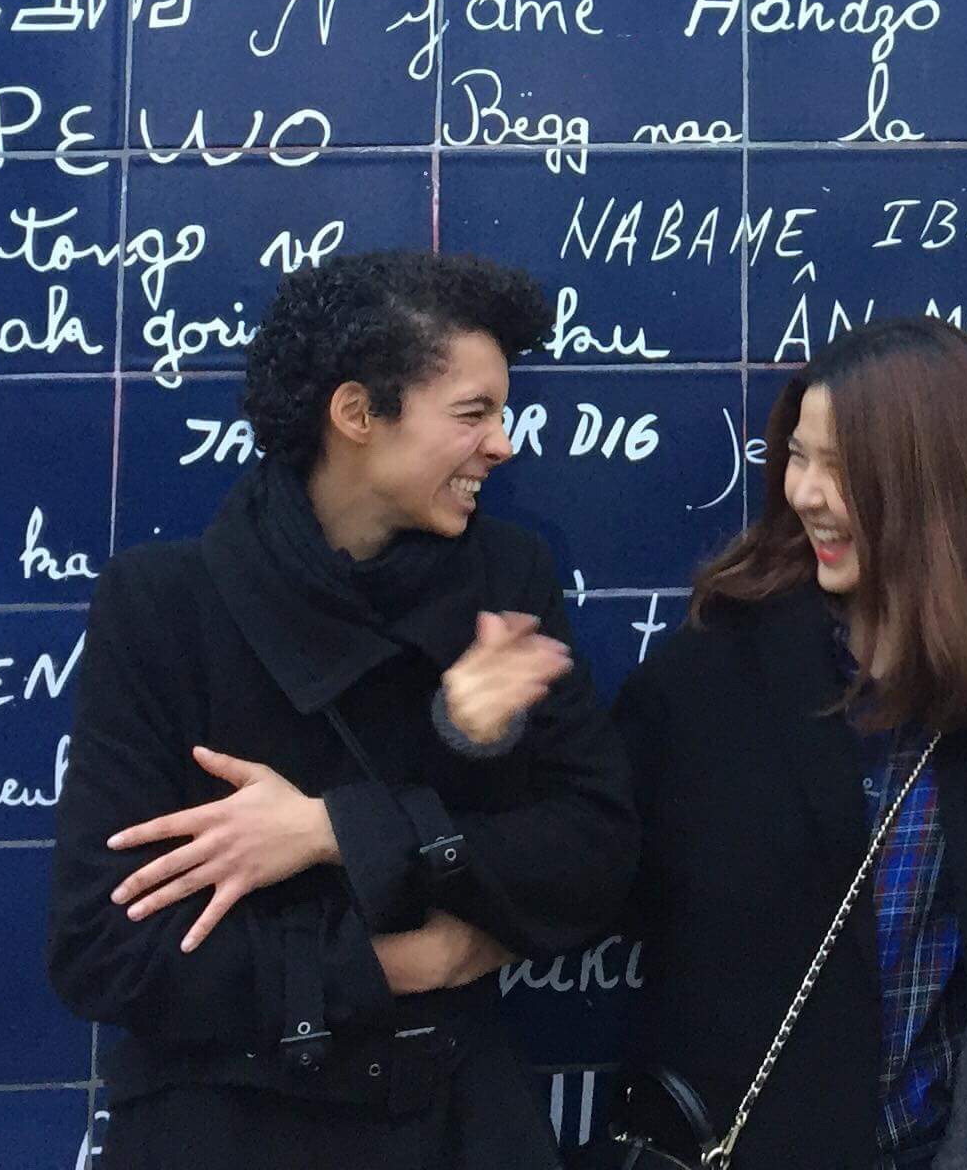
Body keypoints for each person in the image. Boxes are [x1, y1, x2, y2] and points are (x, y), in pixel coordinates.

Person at [47, 248, 637, 1170]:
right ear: (358, 414)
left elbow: (596, 856)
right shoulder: (165, 608)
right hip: (229, 1134)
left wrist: (334, 829)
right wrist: (409, 963)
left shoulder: (506, 578)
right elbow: (105, 951)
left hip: (456, 1124)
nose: (504, 444)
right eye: (474, 413)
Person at [611, 316, 967, 1170]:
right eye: (798, 457)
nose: (805, 493)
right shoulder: (715, 677)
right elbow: (590, 871)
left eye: (842, 467)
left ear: (939, 483)